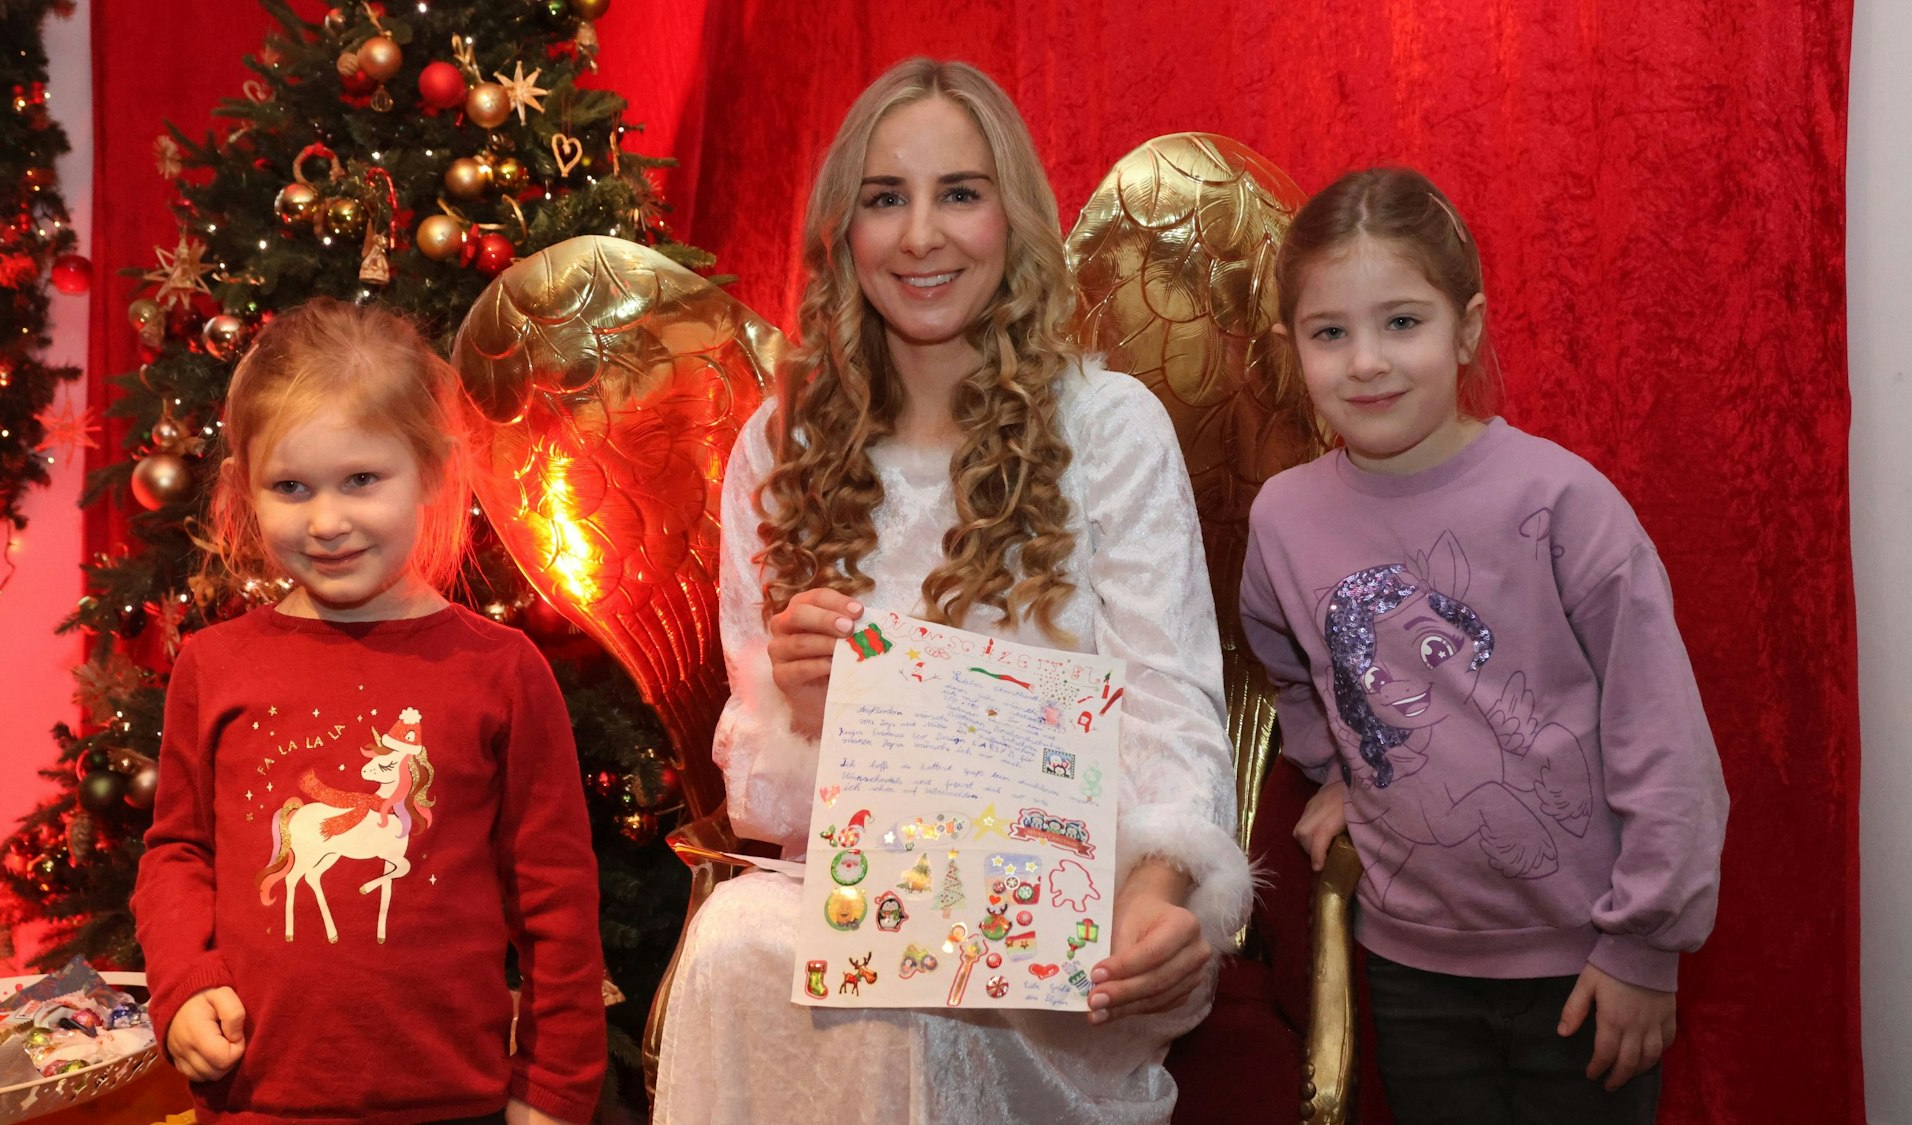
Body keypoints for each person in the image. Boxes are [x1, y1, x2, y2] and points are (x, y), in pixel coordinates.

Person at [651, 58, 1253, 1124]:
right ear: (843, 230)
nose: (920, 236)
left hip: (1065, 919)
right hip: (845, 896)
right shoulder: (776, 447)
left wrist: (1166, 903)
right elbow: (761, 803)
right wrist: (802, 707)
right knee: (732, 943)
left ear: (1012, 219)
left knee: (901, 992)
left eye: (958, 194)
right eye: (886, 199)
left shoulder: (1108, 430)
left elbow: (1173, 717)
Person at [1240, 167, 1729, 1124]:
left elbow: (1663, 736)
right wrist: (1337, 766)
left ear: (1466, 327)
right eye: (1330, 332)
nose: (1367, 361)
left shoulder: (1563, 502)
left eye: (1403, 322)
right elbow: (1287, 656)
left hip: (1587, 962)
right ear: (1287, 347)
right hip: (1413, 964)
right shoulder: (1285, 516)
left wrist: (1644, 943)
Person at [132, 298, 605, 1125]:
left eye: (361, 479)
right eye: (290, 487)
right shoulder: (213, 666)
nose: (326, 521)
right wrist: (182, 985)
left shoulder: (501, 669)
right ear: (246, 488)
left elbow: (554, 894)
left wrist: (556, 1086)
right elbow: (177, 847)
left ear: (428, 470)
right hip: (256, 1101)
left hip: (453, 1102)